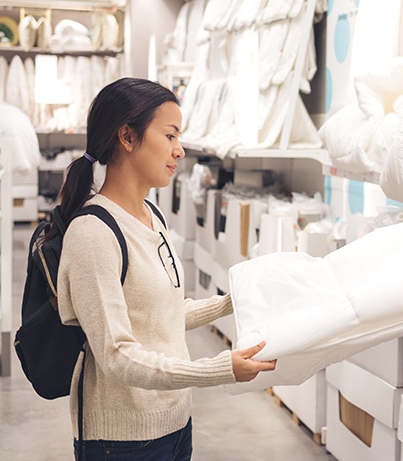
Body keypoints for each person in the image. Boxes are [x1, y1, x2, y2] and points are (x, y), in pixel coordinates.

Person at [54, 77, 276, 460]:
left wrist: (232, 301)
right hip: (121, 442)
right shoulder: (93, 233)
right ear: (128, 137)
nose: (180, 149)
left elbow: (162, 315)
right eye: (170, 135)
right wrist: (217, 370)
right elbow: (116, 355)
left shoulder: (153, 215)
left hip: (175, 424)